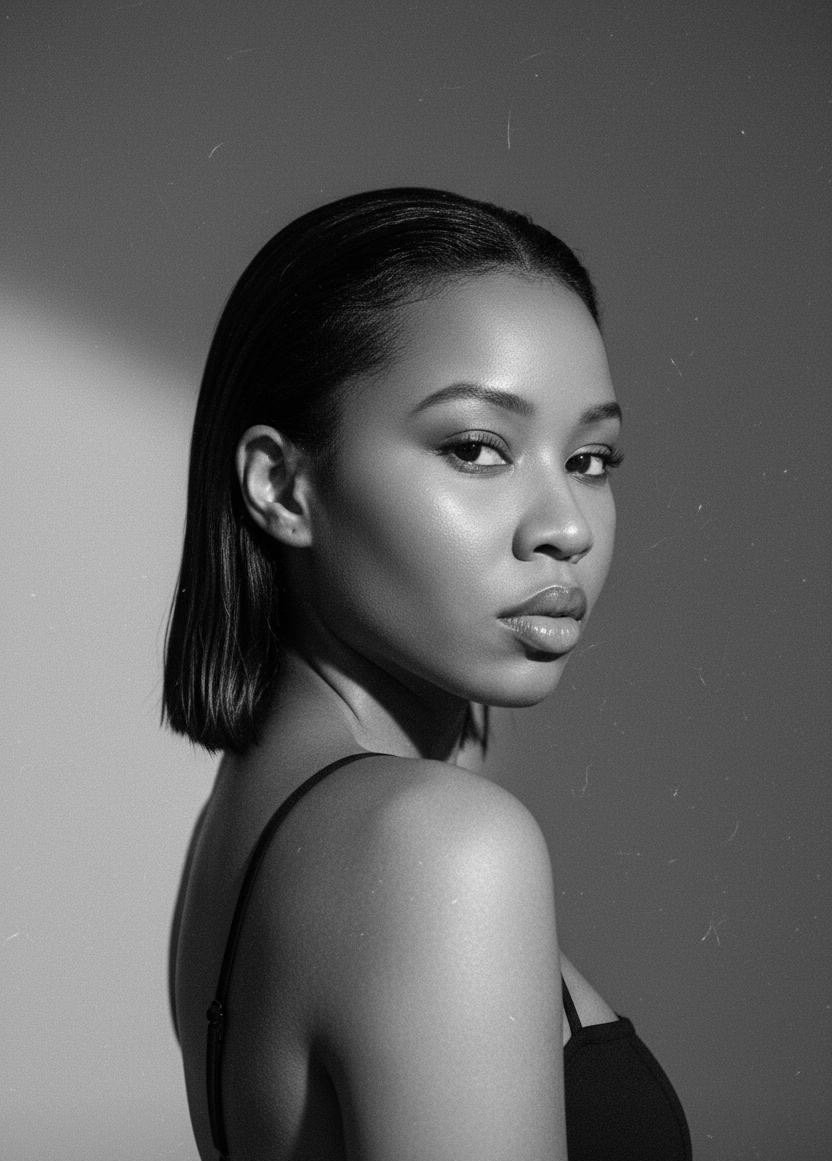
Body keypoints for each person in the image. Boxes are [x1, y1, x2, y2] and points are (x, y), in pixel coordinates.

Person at [164, 187, 691, 1160]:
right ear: (282, 486)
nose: (566, 527)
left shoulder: (246, 820)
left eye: (589, 457)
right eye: (475, 449)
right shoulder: (436, 845)